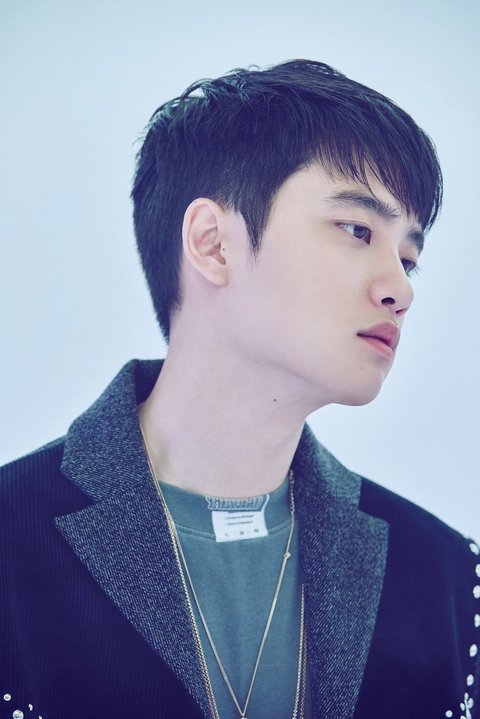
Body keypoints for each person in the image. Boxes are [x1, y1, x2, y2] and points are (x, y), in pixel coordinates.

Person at [1, 59, 478, 719]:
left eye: (408, 257)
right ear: (213, 244)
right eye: (358, 230)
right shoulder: (12, 541)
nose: (400, 287)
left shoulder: (451, 580)